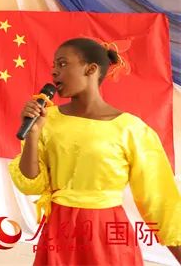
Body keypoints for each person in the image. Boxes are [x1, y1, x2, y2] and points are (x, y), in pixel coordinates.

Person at [11, 38, 181, 265]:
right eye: (53, 66)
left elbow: (159, 198)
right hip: (60, 231)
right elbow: (30, 183)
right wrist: (32, 134)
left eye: (62, 64)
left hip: (107, 234)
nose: (54, 72)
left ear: (90, 69)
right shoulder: (46, 120)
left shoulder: (131, 129)